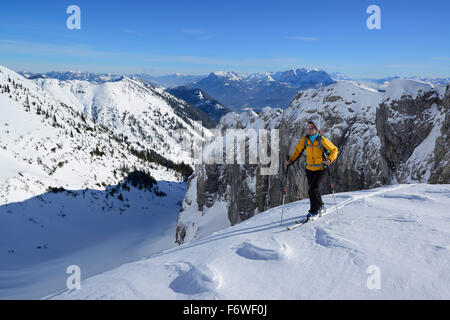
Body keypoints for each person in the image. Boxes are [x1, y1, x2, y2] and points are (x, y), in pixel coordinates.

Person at [285, 121, 338, 220]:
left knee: (312, 190)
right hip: (309, 169)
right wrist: (290, 161)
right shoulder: (305, 140)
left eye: (311, 128)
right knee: (314, 190)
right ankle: (320, 205)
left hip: (321, 168)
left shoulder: (322, 140)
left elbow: (334, 149)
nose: (309, 130)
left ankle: (313, 211)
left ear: (316, 129)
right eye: (308, 127)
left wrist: (329, 159)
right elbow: (298, 151)